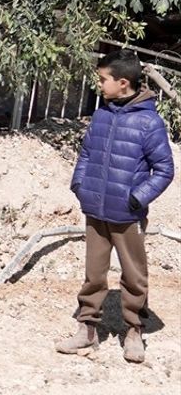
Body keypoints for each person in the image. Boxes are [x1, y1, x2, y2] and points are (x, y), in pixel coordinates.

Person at [56, 50, 174, 363]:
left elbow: (164, 170)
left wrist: (137, 198)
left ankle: (133, 331)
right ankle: (87, 329)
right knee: (94, 274)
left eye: (103, 79)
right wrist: (80, 187)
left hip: (127, 215)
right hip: (95, 210)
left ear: (123, 83)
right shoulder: (101, 115)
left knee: (134, 276)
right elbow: (85, 155)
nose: (99, 85)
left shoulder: (150, 122)